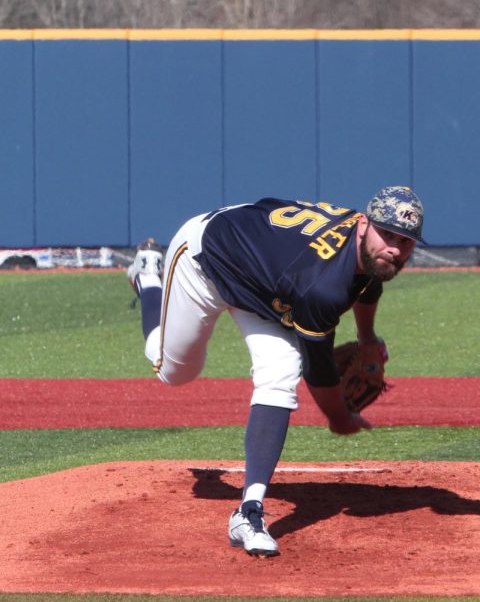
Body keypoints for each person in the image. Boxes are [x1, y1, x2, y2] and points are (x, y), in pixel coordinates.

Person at [126, 186, 425, 557]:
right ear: (363, 224)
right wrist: (339, 418)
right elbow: (319, 372)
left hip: (266, 283)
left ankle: (248, 513)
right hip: (206, 260)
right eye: (388, 235)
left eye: (406, 241)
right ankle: (148, 278)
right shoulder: (322, 287)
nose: (395, 248)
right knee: (174, 371)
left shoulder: (364, 247)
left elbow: (367, 284)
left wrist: (367, 338)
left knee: (281, 372)